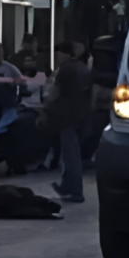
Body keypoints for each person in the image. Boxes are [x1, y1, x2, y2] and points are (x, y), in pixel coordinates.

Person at [44, 42, 93, 202]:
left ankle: (73, 189)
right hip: (81, 115)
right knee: (72, 154)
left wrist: (47, 106)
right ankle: (67, 186)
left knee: (69, 154)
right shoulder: (83, 68)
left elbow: (54, 92)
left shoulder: (65, 69)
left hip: (66, 116)